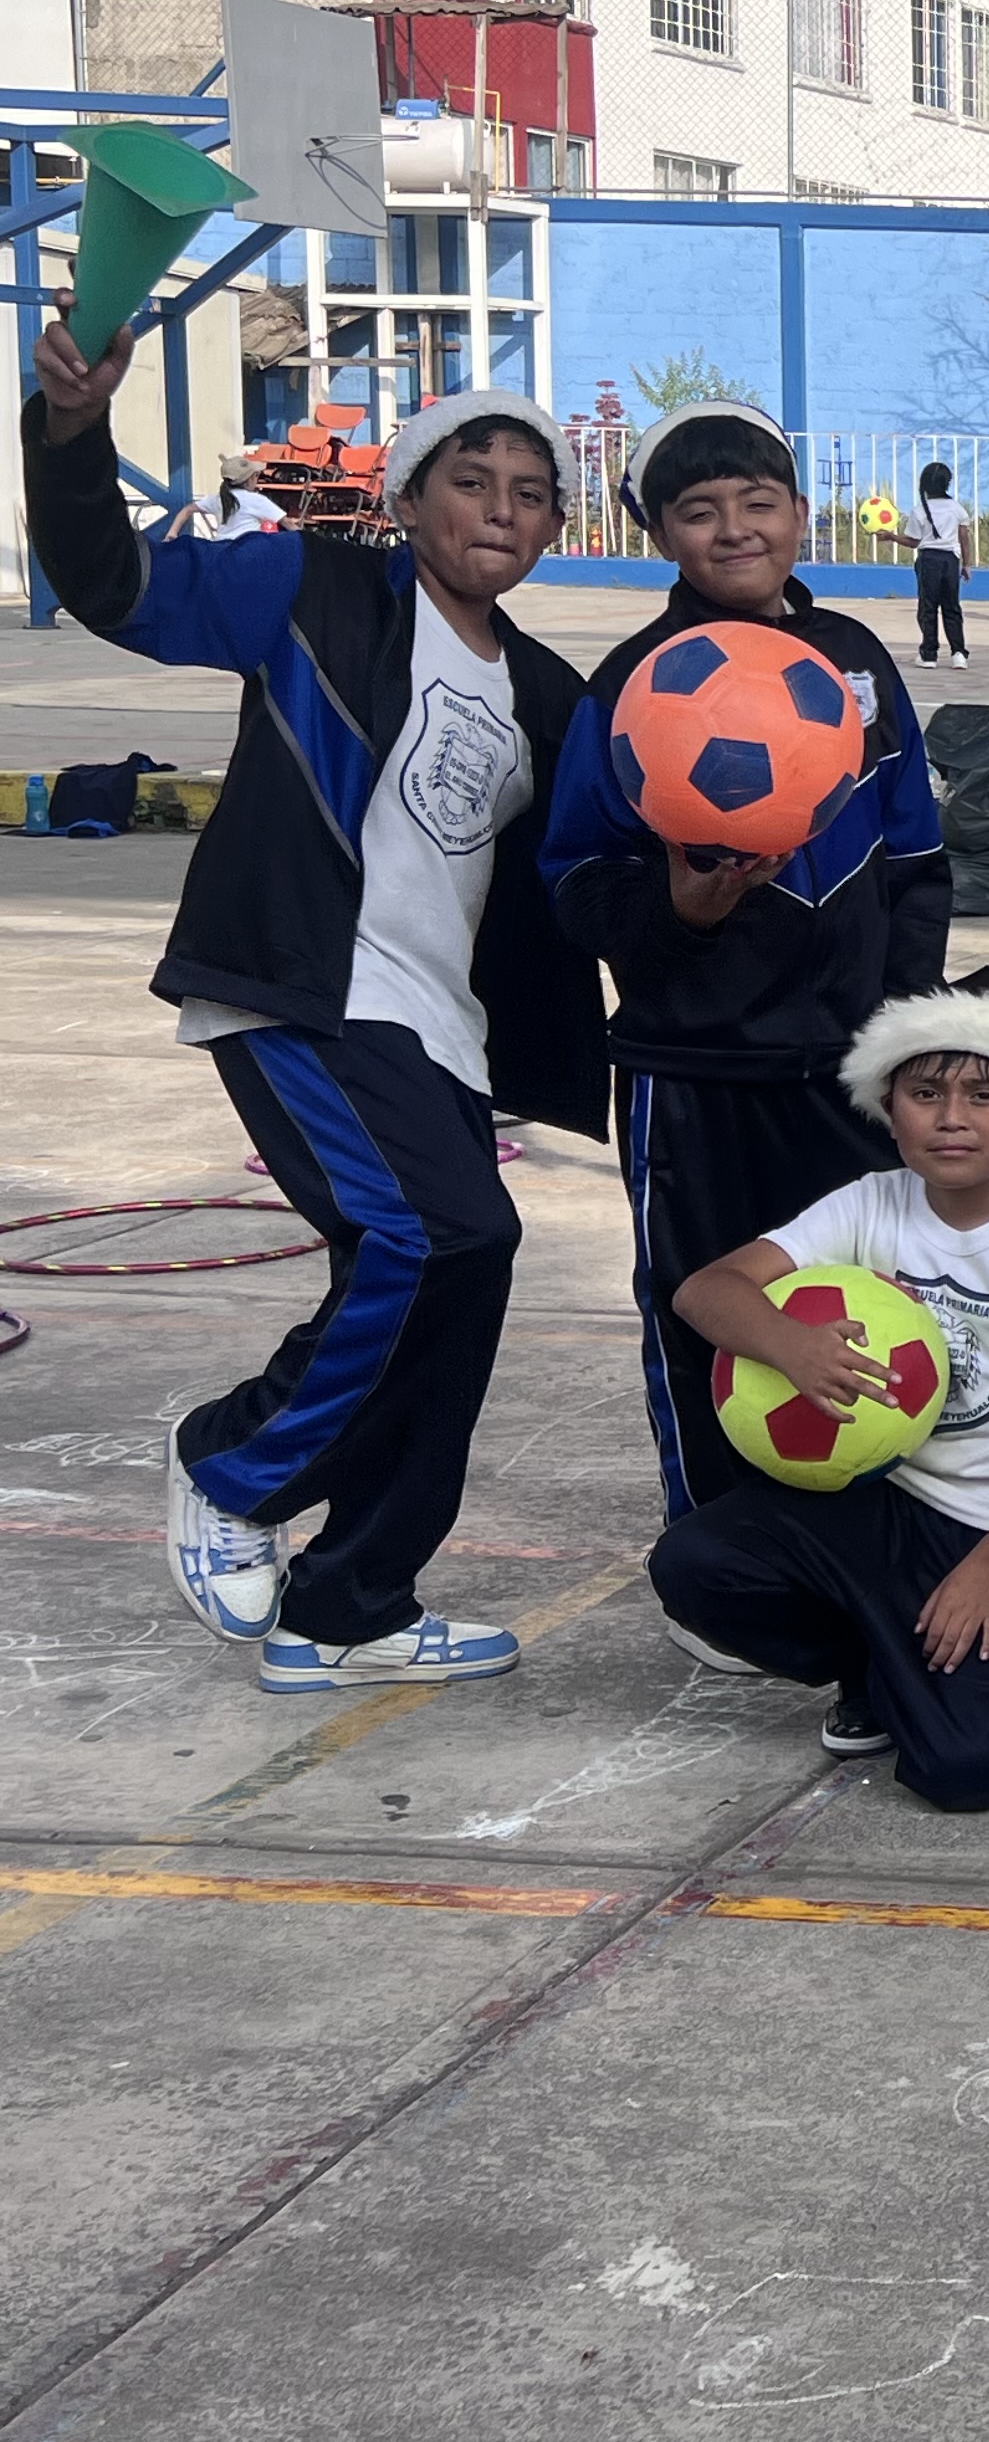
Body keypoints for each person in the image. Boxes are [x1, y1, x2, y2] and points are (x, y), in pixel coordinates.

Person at [27, 336, 604, 1688]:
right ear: (409, 498)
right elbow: (115, 585)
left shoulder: (544, 693)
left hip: (439, 1031)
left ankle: (349, 1608)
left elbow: (607, 861)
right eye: (473, 480)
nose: (502, 509)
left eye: (531, 493)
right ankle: (234, 1461)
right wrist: (68, 432)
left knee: (459, 1278)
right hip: (305, 987)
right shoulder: (310, 589)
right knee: (432, 1234)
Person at [542, 400, 951, 1534]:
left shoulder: (858, 662)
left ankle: (875, 1551)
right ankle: (718, 1557)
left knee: (875, 1314)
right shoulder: (631, 684)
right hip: (696, 1075)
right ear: (659, 534)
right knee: (708, 1316)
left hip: (852, 1077)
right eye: (699, 510)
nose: (733, 529)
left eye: (757, 502)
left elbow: (916, 863)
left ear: (801, 514)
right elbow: (574, 881)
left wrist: (907, 1038)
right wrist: (678, 910)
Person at [652, 984, 989, 1805]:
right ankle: (872, 1665)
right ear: (889, 1109)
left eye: (984, 1096)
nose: (952, 1118)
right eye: (925, 1093)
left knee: (969, 1774)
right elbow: (706, 1290)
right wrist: (791, 1345)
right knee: (694, 1564)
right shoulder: (871, 1202)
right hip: (878, 1505)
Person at [907, 460, 970, 669]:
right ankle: (959, 653)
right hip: (950, 560)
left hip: (928, 560)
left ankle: (929, 654)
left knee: (928, 607)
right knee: (952, 607)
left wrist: (891, 537)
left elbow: (913, 541)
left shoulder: (919, 511)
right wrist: (966, 564)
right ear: (947, 484)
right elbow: (963, 538)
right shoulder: (956, 508)